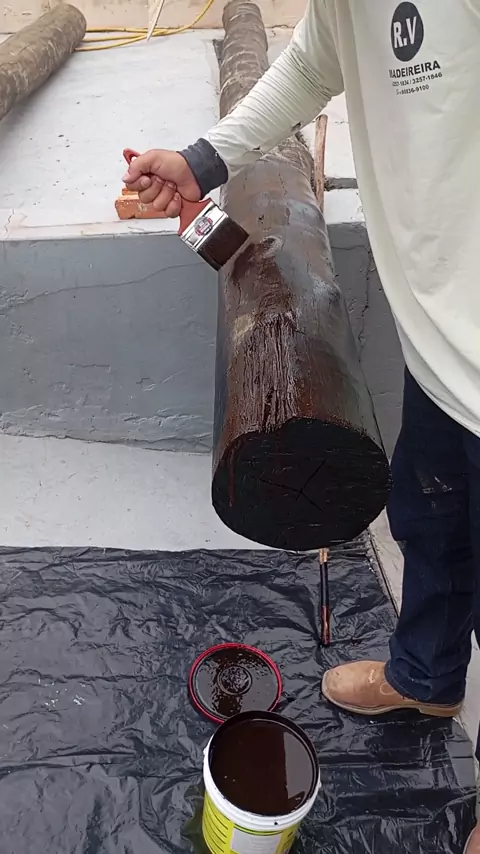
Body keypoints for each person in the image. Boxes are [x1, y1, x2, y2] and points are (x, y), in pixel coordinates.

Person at [123, 2, 480, 848]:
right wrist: (201, 161)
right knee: (431, 517)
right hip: (442, 343)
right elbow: (314, 66)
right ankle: (426, 675)